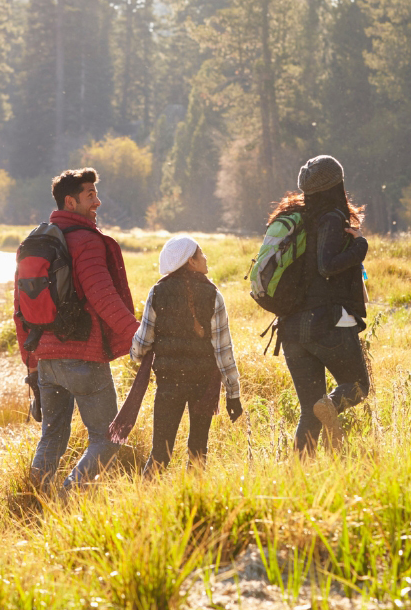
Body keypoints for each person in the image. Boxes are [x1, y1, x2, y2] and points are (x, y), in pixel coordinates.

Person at [15, 167, 139, 492]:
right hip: (83, 357)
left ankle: (37, 504)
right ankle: (68, 498)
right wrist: (138, 334)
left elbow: (20, 312)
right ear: (70, 202)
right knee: (109, 438)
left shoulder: (35, 243)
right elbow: (103, 296)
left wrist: (31, 363)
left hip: (46, 361)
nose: (97, 202)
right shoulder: (86, 242)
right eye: (90, 196)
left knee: (52, 437)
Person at [272, 154, 372, 453]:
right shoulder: (331, 218)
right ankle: (328, 405)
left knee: (309, 410)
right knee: (357, 387)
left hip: (290, 327)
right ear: (338, 184)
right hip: (324, 323)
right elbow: (327, 265)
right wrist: (360, 247)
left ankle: (300, 477)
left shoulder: (296, 220)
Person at [127, 235, 243, 474]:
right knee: (199, 451)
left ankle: (147, 502)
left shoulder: (158, 292)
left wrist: (136, 354)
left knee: (160, 453)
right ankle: (194, 502)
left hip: (169, 383)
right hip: (204, 384)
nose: (205, 258)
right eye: (201, 254)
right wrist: (234, 394)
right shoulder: (213, 295)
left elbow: (142, 343)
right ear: (191, 261)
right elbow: (223, 351)